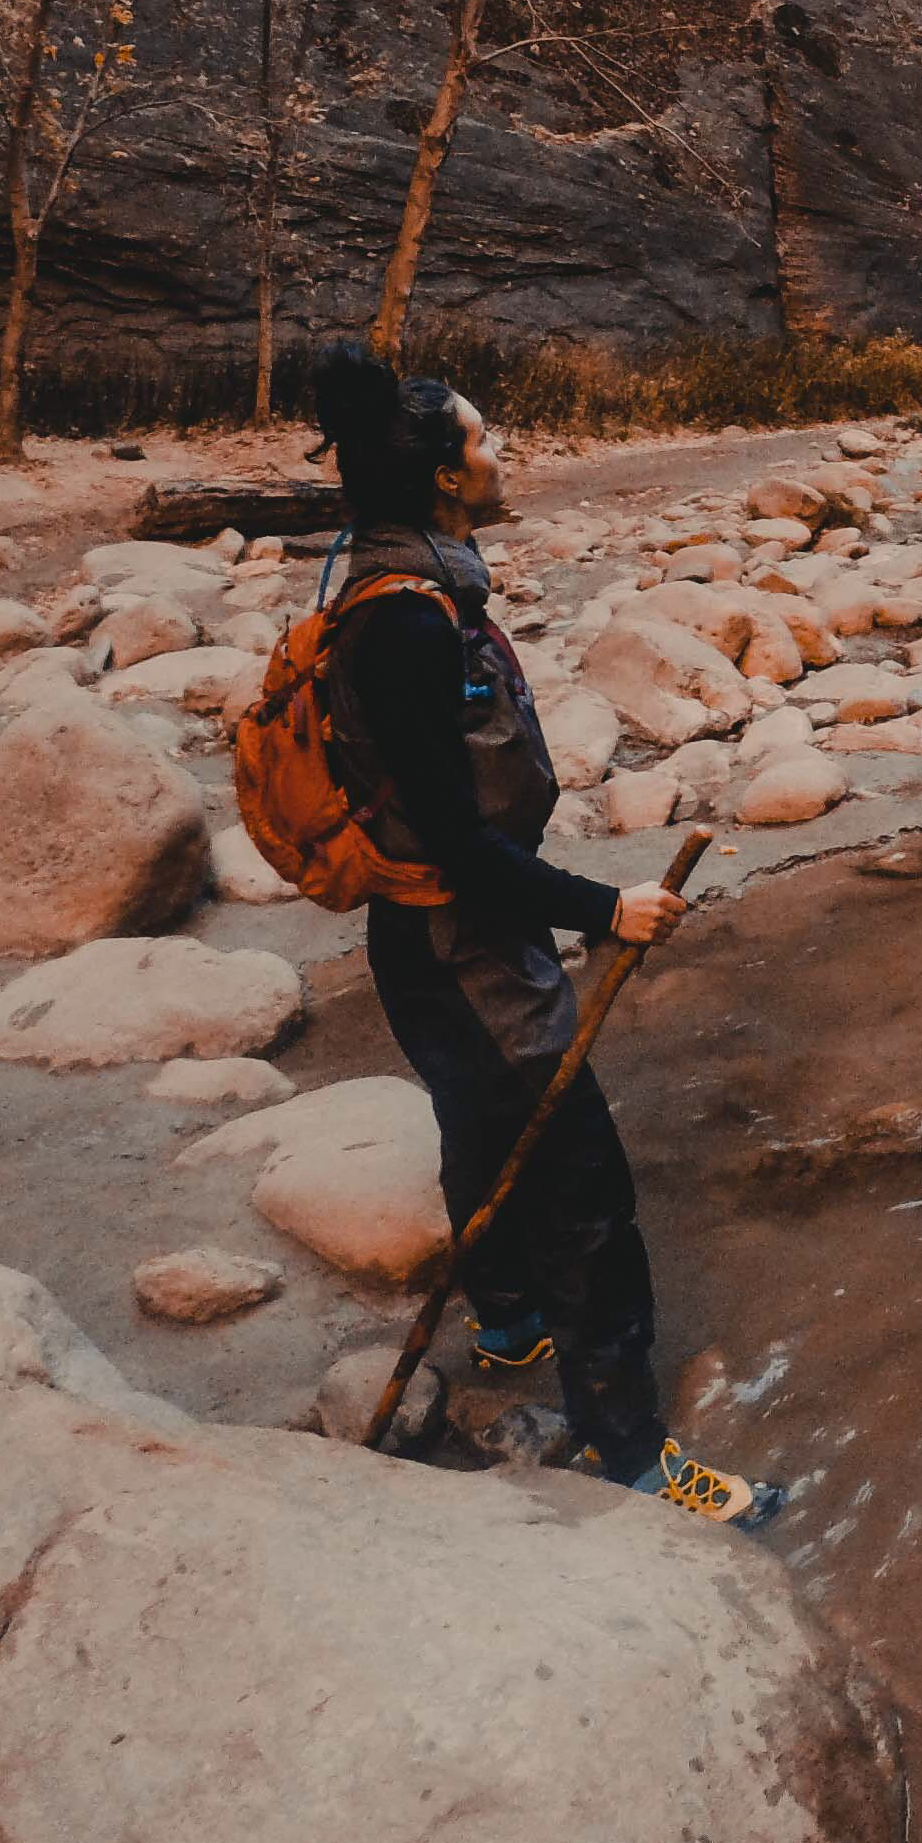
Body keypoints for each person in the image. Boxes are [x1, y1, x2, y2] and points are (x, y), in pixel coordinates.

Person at [302, 345, 780, 1527]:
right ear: (446, 482)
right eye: (489, 440)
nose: (505, 453)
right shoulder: (407, 623)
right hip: (464, 950)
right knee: (585, 1193)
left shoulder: (388, 580)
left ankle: (506, 1318)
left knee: (477, 1127)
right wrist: (606, 908)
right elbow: (461, 846)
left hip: (428, 948)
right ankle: (631, 1459)